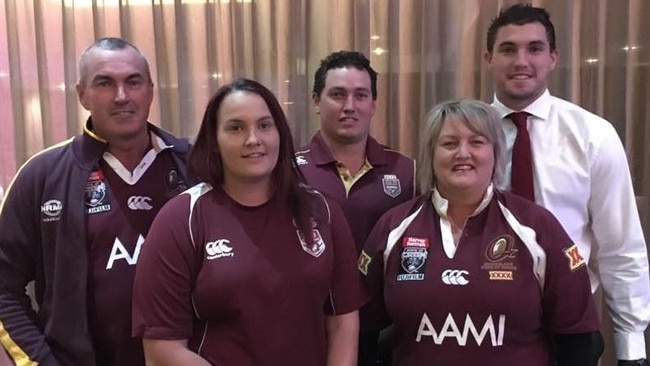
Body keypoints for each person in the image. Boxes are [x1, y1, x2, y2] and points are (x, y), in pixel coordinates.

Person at [132, 78, 366, 366]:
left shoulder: (322, 212)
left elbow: (343, 323)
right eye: (235, 127)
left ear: (280, 133)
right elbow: (161, 349)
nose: (253, 139)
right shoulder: (181, 219)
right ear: (214, 141)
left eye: (265, 125)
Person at [359, 99, 603, 365]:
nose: (463, 153)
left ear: (495, 152)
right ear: (431, 154)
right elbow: (362, 332)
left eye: (476, 142)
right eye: (449, 143)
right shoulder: (394, 227)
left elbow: (579, 338)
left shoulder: (537, 227)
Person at [0, 37, 194, 366]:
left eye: (133, 82)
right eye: (104, 83)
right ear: (82, 95)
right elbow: (3, 288)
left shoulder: (194, 166)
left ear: (150, 90)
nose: (122, 96)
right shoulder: (42, 175)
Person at [484, 4, 650, 365]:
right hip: (482, 323)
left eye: (535, 48)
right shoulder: (468, 137)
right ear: (489, 58)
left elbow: (620, 247)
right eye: (508, 49)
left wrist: (631, 347)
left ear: (554, 58)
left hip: (569, 327)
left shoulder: (593, 135)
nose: (521, 60)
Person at [295, 50, 416, 366]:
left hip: (387, 332)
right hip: (311, 331)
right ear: (316, 101)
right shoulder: (287, 173)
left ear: (373, 104)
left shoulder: (408, 172)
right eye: (337, 94)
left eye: (360, 95)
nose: (349, 106)